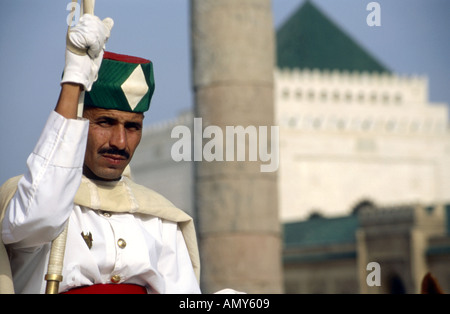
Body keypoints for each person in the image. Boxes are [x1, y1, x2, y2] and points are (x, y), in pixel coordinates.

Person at [0, 13, 201, 294]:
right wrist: (74, 80)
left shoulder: (159, 218)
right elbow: (43, 212)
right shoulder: (28, 200)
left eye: (132, 127)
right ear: (80, 123)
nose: (120, 141)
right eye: (105, 123)